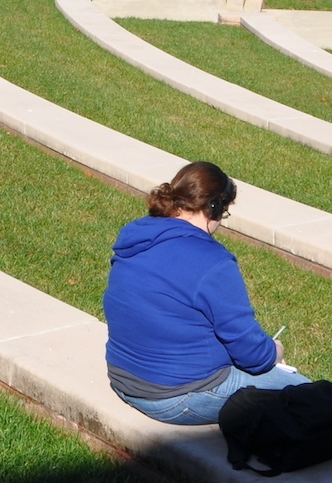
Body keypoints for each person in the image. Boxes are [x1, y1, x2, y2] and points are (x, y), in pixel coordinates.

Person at [104, 161, 308, 425]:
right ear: (213, 208)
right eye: (223, 213)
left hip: (123, 379)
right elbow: (253, 356)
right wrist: (274, 352)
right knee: (310, 394)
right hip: (174, 397)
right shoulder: (213, 262)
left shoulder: (136, 237)